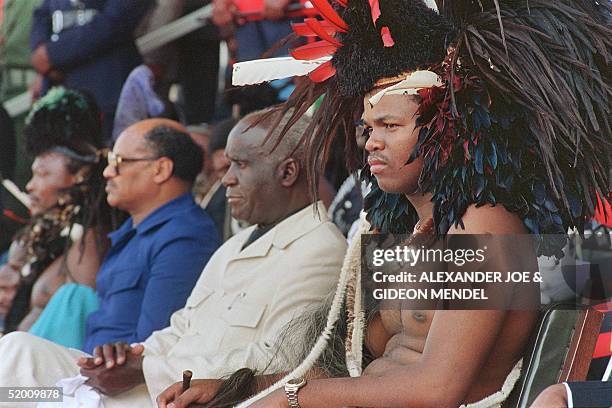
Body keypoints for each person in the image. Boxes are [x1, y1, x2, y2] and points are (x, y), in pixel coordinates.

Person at [157, 0, 611, 407]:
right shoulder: (398, 228)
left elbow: (438, 390)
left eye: (390, 125)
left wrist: (293, 400)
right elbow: (354, 364)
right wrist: (238, 387)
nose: (372, 142)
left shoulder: (483, 223)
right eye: (369, 128)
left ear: (445, 127)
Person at [0, 108, 347, 407]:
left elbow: (279, 363)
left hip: (171, 397)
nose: (226, 179)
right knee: (17, 357)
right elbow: (181, 326)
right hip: (139, 384)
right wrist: (127, 356)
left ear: (287, 173)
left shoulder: (320, 248)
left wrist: (143, 370)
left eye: (239, 165)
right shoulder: (238, 243)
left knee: (17, 379)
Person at [3, 87, 113, 345]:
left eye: (42, 174)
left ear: (80, 175)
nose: (30, 185)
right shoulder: (41, 237)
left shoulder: (89, 242)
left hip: (44, 384)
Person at [29, 0, 153, 141]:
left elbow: (117, 20)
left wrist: (52, 55)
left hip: (108, 90)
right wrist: (40, 49)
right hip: (62, 95)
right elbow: (41, 14)